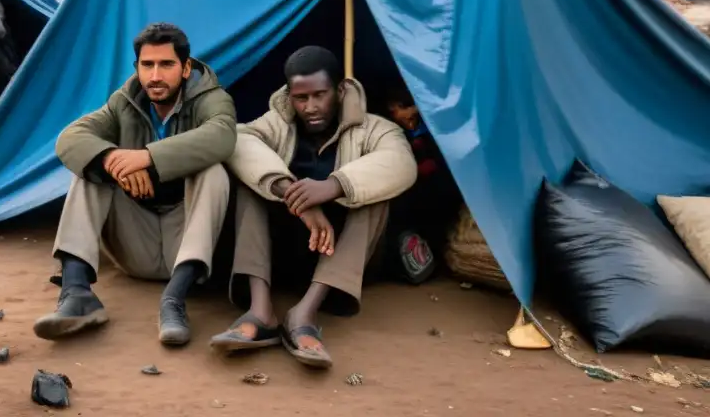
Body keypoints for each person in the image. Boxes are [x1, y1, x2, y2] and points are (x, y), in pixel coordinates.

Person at [210, 46, 416, 369]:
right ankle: (260, 309)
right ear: (289, 96)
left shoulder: (375, 128)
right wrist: (292, 193)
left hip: (343, 262)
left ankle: (304, 312)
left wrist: (333, 186)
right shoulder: (277, 124)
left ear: (340, 89)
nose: (311, 107)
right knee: (253, 185)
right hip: (288, 252)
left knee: (374, 199)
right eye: (300, 98)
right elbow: (237, 140)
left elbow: (402, 163)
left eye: (320, 95)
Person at [34, 23, 236, 347]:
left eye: (166, 64)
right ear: (137, 68)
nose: (155, 75)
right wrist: (112, 159)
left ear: (185, 68)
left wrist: (146, 157)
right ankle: (76, 292)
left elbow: (222, 136)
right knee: (91, 168)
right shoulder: (124, 102)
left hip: (184, 245)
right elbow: (70, 138)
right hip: (134, 242)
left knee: (213, 173)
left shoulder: (211, 98)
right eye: (147, 65)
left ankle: (173, 301)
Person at [385, 85, 462, 284]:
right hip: (414, 192)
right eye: (394, 112)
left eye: (405, 109)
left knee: (437, 224)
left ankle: (434, 262)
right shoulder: (395, 133)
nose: (401, 115)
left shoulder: (432, 129)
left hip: (439, 191)